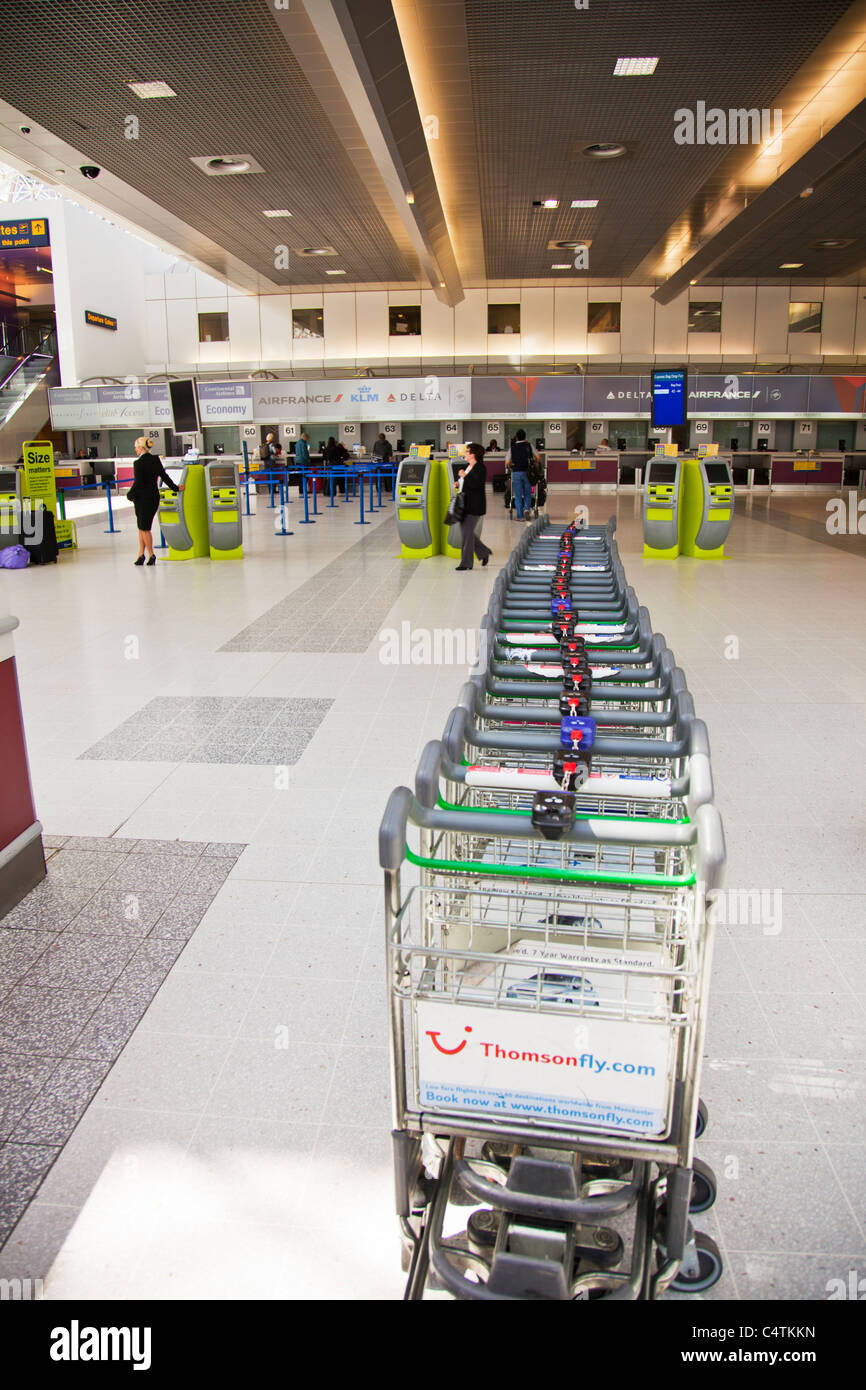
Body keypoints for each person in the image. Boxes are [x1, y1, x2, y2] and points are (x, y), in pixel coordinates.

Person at [127, 436, 183, 566]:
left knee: (145, 528)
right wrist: (175, 488)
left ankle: (151, 554)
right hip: (153, 497)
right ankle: (141, 554)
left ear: (141, 448)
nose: (135, 450)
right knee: (141, 527)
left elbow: (138, 482)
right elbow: (164, 476)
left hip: (142, 498)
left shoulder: (138, 463)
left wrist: (129, 495)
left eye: (136, 448)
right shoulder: (155, 460)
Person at [455, 442, 492, 571]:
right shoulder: (468, 466)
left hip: (474, 505)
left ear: (473, 454)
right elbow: (466, 483)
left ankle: (466, 563)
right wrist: (458, 483)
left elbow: (476, 484)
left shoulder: (480, 468)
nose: (465, 454)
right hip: (464, 503)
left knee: (467, 533)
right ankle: (484, 552)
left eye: (467, 452)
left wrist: (464, 476)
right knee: (467, 532)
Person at [505, 428, 535, 521]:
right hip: (528, 472)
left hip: (516, 473)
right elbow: (537, 457)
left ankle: (520, 516)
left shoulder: (512, 448)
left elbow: (507, 462)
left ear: (516, 437)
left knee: (517, 495)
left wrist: (511, 465)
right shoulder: (529, 446)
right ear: (525, 437)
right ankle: (526, 509)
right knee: (528, 493)